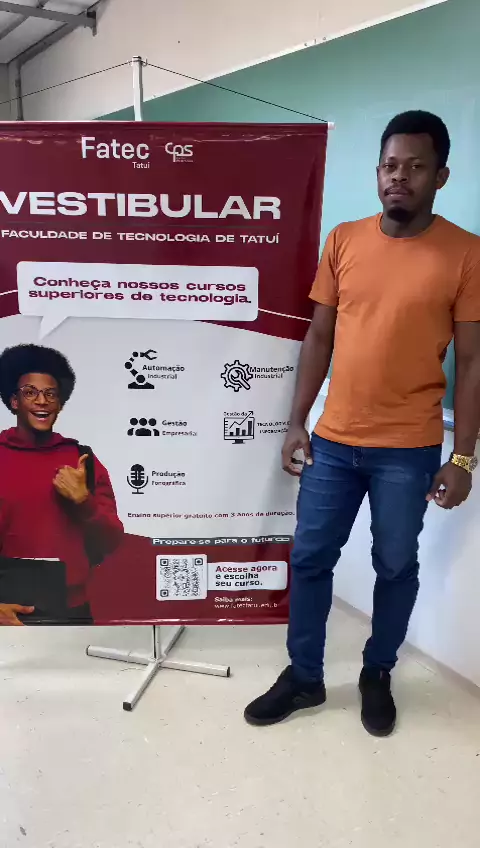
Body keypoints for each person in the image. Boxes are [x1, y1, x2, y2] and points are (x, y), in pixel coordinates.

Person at [245, 110, 480, 736]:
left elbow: (472, 360)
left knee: (395, 565)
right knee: (309, 558)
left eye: (415, 166)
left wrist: (462, 457)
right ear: (378, 172)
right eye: (390, 165)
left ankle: (377, 671)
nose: (399, 177)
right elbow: (319, 336)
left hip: (408, 448)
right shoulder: (344, 240)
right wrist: (297, 422)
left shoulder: (466, 253)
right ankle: (305, 676)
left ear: (441, 176)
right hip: (333, 440)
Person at [0, 344, 124, 625]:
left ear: (60, 404)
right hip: (7, 610)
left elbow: (112, 541)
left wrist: (84, 502)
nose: (42, 401)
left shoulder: (82, 459)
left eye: (51, 394)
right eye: (30, 392)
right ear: (14, 401)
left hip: (72, 612)